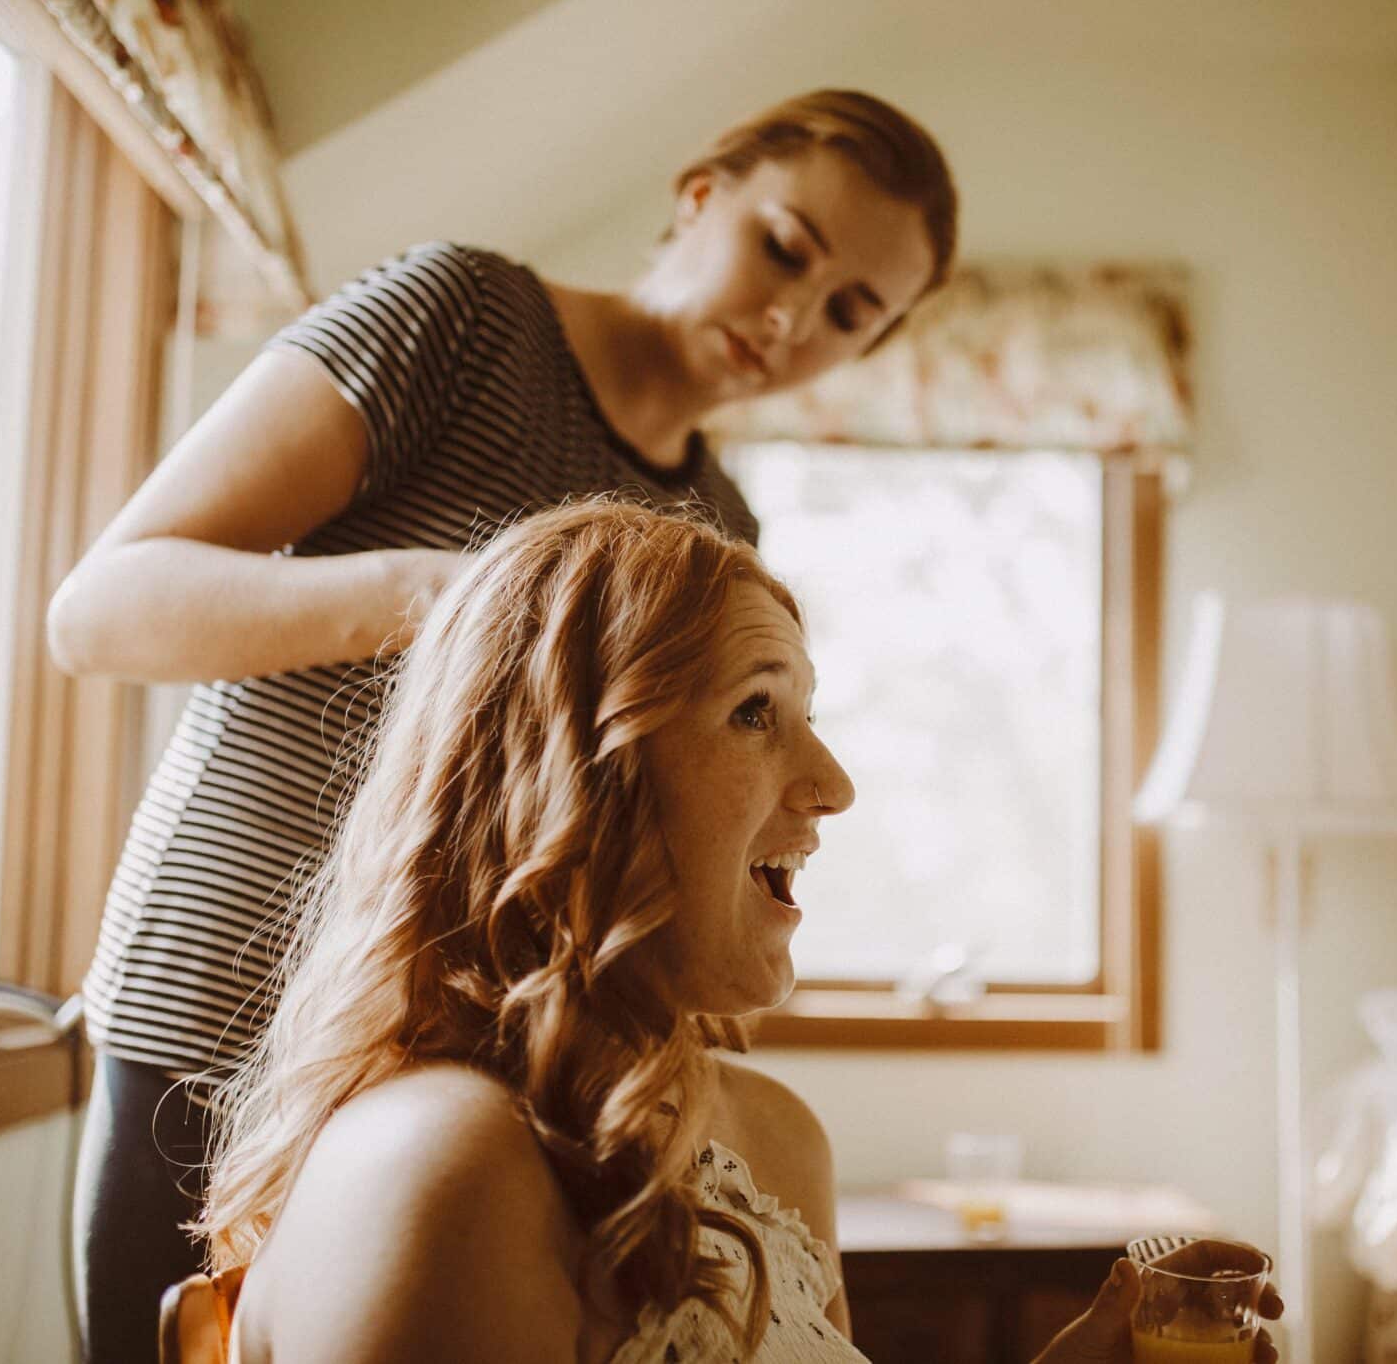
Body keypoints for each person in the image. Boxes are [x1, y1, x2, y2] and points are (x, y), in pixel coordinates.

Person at [48, 89, 959, 1364]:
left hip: (506, 1047)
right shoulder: (460, 320)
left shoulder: (717, 527)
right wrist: (452, 600)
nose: (789, 316)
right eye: (785, 248)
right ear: (700, 194)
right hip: (223, 1009)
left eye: (849, 312)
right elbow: (102, 612)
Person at [192, 498, 1280, 1364]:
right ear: (578, 781)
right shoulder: (441, 1168)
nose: (833, 784)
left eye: (808, 715)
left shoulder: (774, 1141)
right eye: (756, 712)